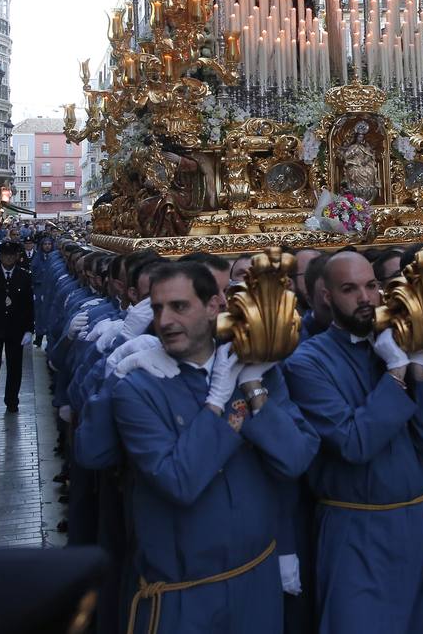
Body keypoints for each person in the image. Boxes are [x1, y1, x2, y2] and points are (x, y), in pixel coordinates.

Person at [112, 262, 319, 633]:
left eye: (179, 306)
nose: (165, 320)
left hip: (256, 583)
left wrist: (253, 388)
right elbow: (179, 481)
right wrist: (217, 401)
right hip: (184, 597)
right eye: (157, 308)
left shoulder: (258, 370)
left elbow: (296, 459)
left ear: (213, 307)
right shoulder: (137, 389)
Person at [283, 252, 423, 633]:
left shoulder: (398, 343)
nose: (366, 297)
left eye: (371, 285)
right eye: (350, 289)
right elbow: (354, 444)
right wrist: (394, 374)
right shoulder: (307, 362)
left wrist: (422, 369)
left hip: (415, 522)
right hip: (356, 529)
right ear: (325, 296)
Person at [0, 241, 36, 415]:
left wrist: (29, 330)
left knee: (14, 368)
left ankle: (12, 402)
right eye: (5, 255)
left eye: (12, 255)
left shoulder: (24, 276)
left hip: (15, 330)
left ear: (17, 257)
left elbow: (28, 306)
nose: (9, 258)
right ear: (0, 256)